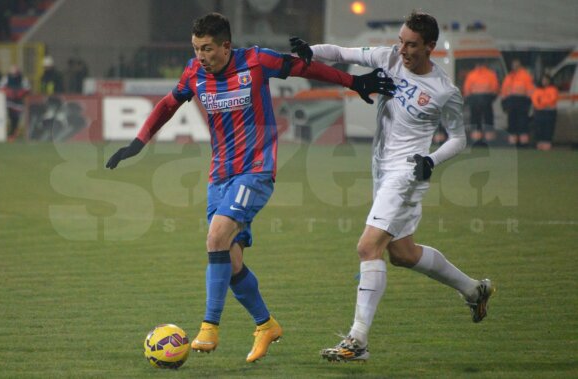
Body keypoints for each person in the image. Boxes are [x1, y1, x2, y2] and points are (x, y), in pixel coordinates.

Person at [106, 12, 395, 363]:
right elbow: (169, 104)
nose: (200, 56)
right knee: (230, 257)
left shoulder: (256, 61)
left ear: (226, 46)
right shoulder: (194, 72)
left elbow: (303, 68)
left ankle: (209, 326)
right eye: (196, 48)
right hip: (219, 176)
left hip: (256, 171)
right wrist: (138, 141)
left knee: (215, 239)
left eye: (208, 48)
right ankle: (265, 324)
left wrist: (354, 82)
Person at [290, 10, 494, 362]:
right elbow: (342, 53)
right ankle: (474, 289)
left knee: (368, 247)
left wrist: (431, 159)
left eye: (411, 44)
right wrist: (311, 50)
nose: (402, 49)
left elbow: (459, 139)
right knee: (402, 254)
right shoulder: (388, 57)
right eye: (401, 41)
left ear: (431, 47)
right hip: (381, 168)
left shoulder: (445, 91)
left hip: (408, 172)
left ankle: (358, 340)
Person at [501, 59, 534, 147]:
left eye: (516, 65)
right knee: (512, 124)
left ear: (520, 66)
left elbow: (530, 91)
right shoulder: (509, 76)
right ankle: (513, 143)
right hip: (511, 102)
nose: (514, 67)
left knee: (522, 124)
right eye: (513, 65)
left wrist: (528, 103)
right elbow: (504, 91)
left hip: (522, 102)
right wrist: (504, 103)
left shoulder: (525, 76)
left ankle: (523, 144)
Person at [463, 62, 499, 143]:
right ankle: (489, 140)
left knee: (475, 120)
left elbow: (467, 90)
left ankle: (476, 140)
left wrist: (469, 100)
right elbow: (495, 89)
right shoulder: (490, 74)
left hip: (474, 101)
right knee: (488, 119)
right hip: (487, 100)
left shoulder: (471, 75)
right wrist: (491, 98)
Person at [0, 65, 30, 140]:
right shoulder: (6, 78)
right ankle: (11, 131)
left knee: (16, 117)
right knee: (10, 116)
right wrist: (9, 92)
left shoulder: (22, 79)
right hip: (9, 101)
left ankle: (14, 132)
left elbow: (27, 88)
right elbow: (0, 87)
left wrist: (19, 93)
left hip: (18, 102)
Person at [531, 74, 558, 151]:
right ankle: (540, 146)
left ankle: (547, 147)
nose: (545, 81)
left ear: (549, 81)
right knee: (539, 129)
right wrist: (543, 102)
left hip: (550, 113)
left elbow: (552, 99)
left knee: (548, 130)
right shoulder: (538, 90)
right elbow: (535, 100)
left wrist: (541, 101)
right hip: (539, 113)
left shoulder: (553, 89)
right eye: (543, 80)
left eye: (546, 80)